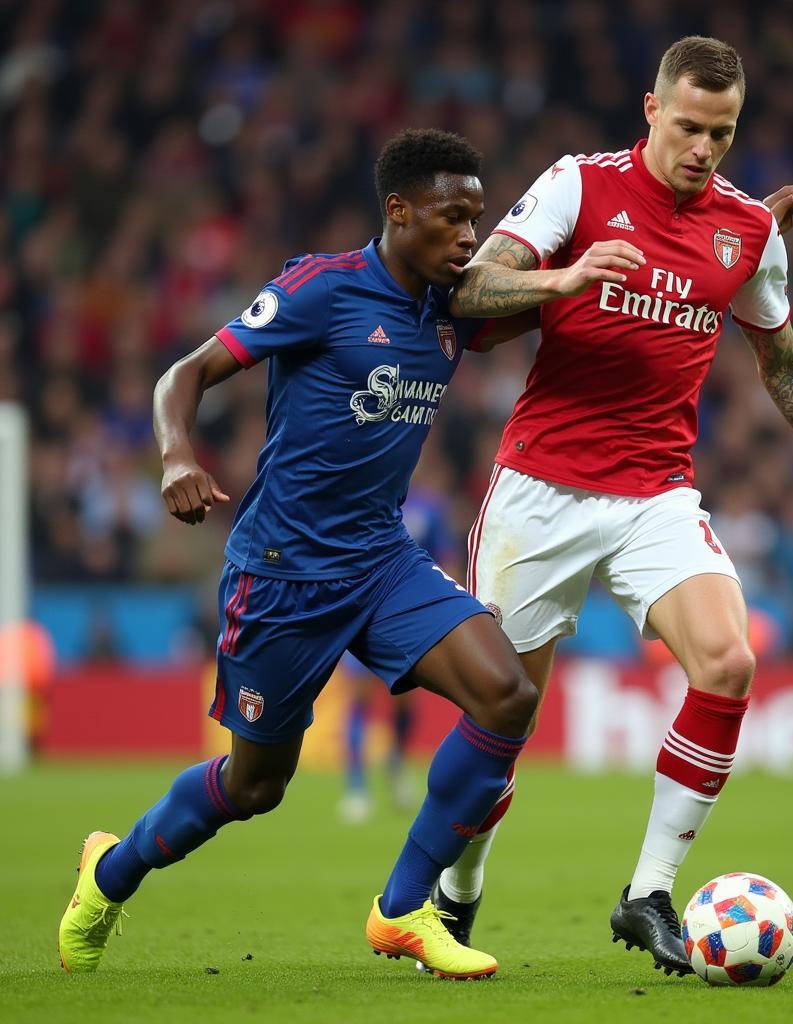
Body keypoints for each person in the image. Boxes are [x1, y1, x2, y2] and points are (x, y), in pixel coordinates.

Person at [442, 36, 793, 976]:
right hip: (541, 487)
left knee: (731, 662)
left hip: (656, 491)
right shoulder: (580, 185)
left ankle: (646, 893)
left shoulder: (748, 227)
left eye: (723, 133)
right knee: (504, 719)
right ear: (653, 111)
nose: (704, 148)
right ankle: (455, 896)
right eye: (690, 126)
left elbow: (779, 359)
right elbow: (468, 292)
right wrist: (562, 278)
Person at [57, 129, 541, 981]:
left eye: (478, 215)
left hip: (382, 561)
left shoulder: (450, 305)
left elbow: (579, 295)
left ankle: (401, 910)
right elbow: (187, 372)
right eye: (452, 216)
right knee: (255, 787)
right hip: (281, 573)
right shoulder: (323, 288)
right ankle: (109, 871)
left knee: (506, 695)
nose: (471, 234)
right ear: (399, 212)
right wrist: (176, 456)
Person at [338, 469, 458, 823]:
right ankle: (356, 787)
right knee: (359, 697)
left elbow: (445, 557)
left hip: (408, 616)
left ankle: (396, 761)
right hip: (362, 612)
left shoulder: (429, 509)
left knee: (405, 700)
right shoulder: (364, 501)